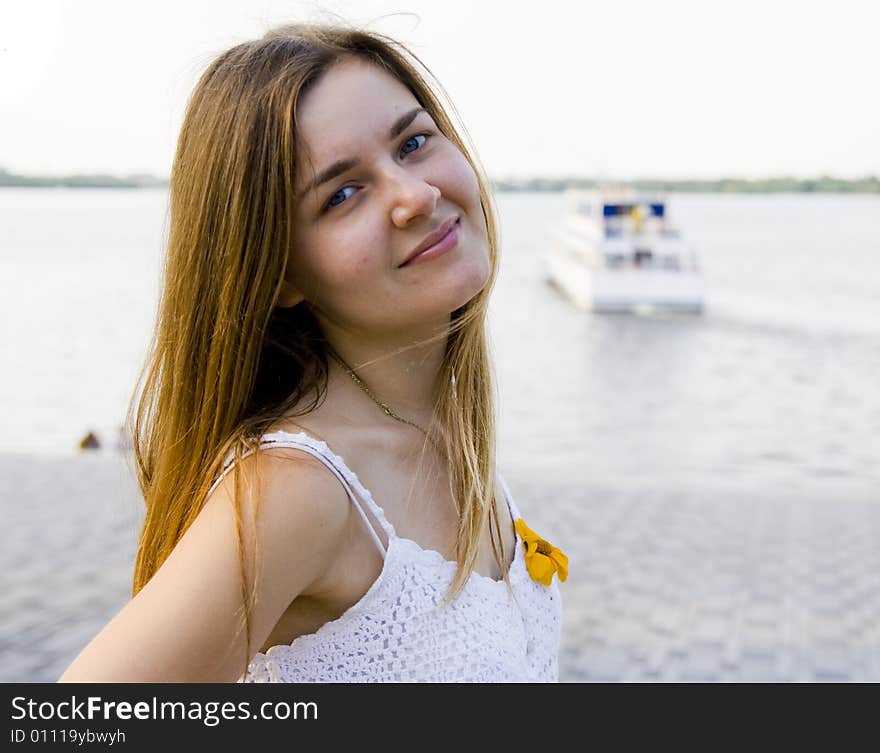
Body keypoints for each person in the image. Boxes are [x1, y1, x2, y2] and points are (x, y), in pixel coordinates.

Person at [59, 19, 567, 684]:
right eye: (344, 193)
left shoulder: (446, 438)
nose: (414, 196)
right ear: (280, 274)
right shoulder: (299, 491)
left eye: (413, 142)